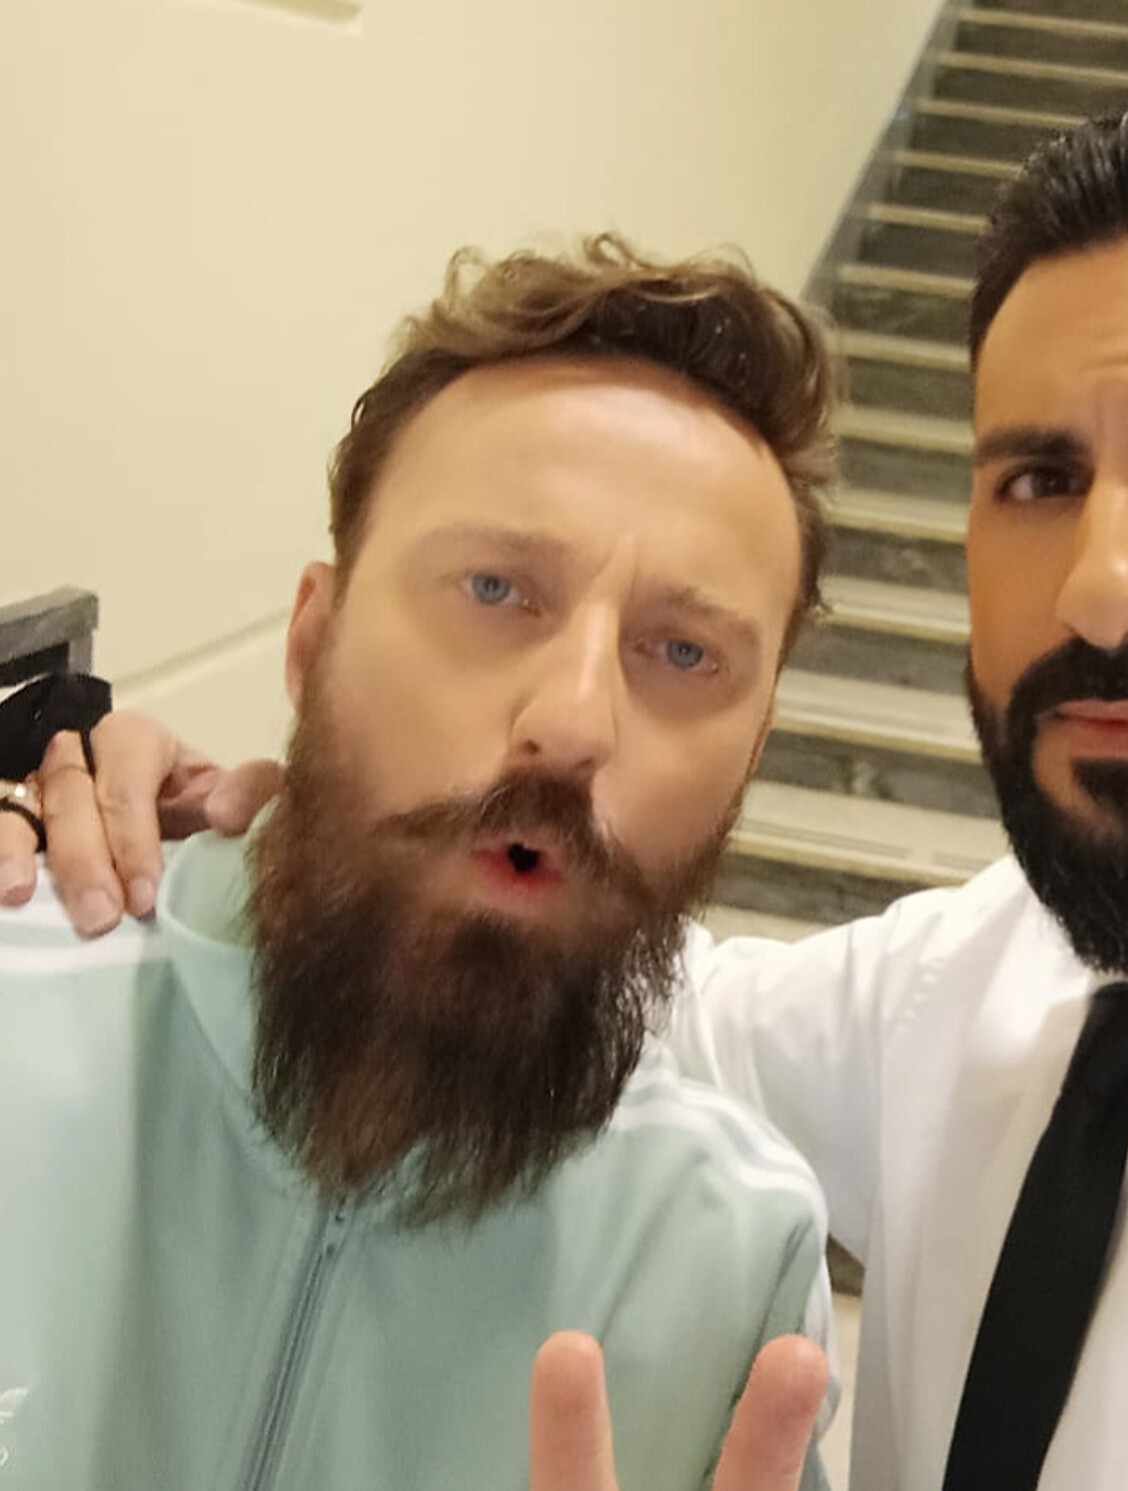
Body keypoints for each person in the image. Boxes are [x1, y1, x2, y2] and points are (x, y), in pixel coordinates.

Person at [13, 92, 1128, 1491]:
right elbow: (543, 945)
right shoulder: (978, 993)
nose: (1103, 587)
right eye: (1039, 477)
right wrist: (206, 815)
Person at [0, 238, 838, 1490]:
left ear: (751, 753)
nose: (574, 723)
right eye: (494, 588)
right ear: (312, 639)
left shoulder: (733, 1254)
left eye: (683, 654)